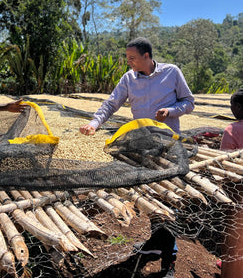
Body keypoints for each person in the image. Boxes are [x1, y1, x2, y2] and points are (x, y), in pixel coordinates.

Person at [79, 37, 194, 278]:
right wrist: (94, 123)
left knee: (169, 199)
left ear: (146, 56)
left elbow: (189, 102)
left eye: (132, 57)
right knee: (152, 196)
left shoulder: (171, 72)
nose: (128, 62)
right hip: (141, 146)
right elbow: (111, 103)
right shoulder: (128, 78)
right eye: (127, 57)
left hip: (168, 146)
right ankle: (154, 244)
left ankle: (168, 260)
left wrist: (171, 111)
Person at [219, 89, 243, 278]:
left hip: (239, 191)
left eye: (232, 106)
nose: (231, 109)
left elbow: (225, 168)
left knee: (235, 238)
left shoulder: (232, 130)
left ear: (239, 107)